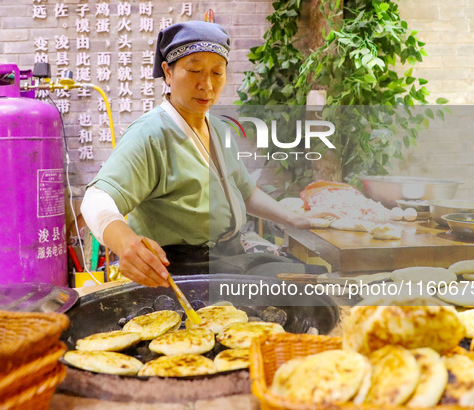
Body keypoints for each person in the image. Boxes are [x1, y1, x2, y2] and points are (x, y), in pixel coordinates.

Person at [81, 21, 341, 288]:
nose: (206, 84)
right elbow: (96, 199)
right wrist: (126, 242)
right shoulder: (150, 133)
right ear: (167, 73)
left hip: (229, 257)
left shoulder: (217, 127)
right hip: (180, 271)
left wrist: (294, 218)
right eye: (194, 70)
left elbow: (246, 192)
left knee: (317, 280)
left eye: (217, 73)